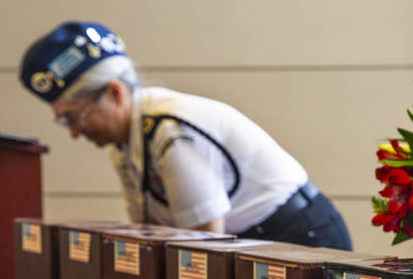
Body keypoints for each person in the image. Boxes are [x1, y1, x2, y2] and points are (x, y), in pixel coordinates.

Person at [18, 21, 352, 249]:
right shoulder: (125, 140)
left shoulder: (170, 131)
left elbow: (204, 248)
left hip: (302, 238)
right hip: (259, 240)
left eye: (75, 117)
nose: (75, 132)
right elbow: (151, 234)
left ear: (115, 94)